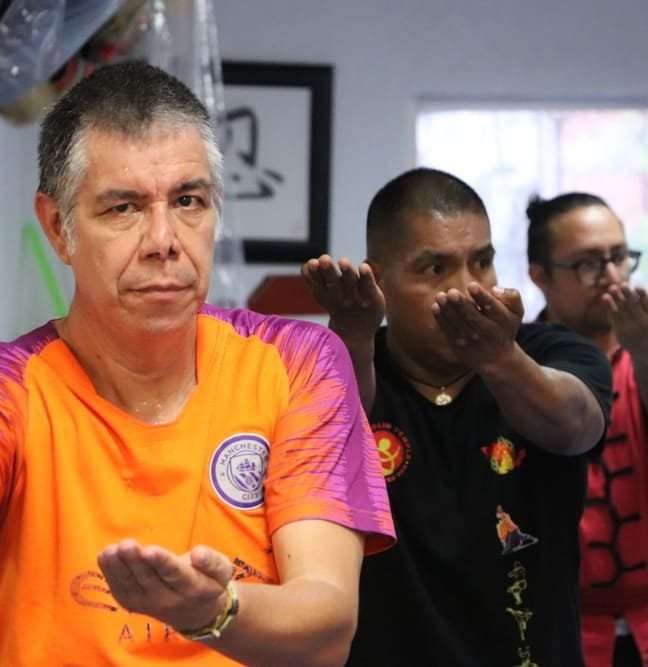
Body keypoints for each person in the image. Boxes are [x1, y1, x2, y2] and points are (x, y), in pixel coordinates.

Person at [0, 61, 395, 667]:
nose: (164, 240)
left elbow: (328, 630)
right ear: (58, 227)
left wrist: (213, 611)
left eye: (188, 201)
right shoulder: (15, 393)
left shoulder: (297, 363)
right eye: (123, 208)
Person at [302, 167, 613, 666]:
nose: (468, 288)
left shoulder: (551, 350)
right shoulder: (341, 364)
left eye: (482, 262)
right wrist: (353, 337)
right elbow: (329, 447)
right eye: (435, 269)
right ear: (379, 281)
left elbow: (575, 428)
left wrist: (500, 359)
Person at [527, 193, 648, 667]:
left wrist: (643, 353)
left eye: (620, 257)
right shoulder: (516, 366)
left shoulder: (641, 354)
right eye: (588, 264)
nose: (613, 276)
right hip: (556, 622)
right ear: (540, 275)